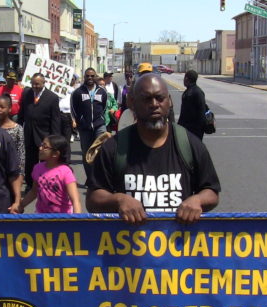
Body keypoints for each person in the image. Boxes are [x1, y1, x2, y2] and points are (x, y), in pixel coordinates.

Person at [86, 74, 221, 224]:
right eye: (146, 99)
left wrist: (198, 200)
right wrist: (119, 200)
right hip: (128, 244)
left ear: (169, 101)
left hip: (178, 244)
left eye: (160, 98)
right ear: (132, 102)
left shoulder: (190, 144)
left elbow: (212, 191)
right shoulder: (114, 148)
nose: (154, 104)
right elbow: (93, 199)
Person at [19, 135, 82, 214]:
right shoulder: (37, 168)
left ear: (55, 154)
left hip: (63, 217)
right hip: (41, 215)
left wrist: (76, 221)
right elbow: (34, 191)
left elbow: (75, 200)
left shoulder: (65, 172)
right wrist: (20, 206)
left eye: (45, 147)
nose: (40, 148)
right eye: (41, 145)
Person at [18, 73, 61, 189]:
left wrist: (54, 140)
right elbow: (21, 114)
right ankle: (30, 185)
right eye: (33, 84)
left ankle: (44, 184)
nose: (35, 86)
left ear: (43, 83)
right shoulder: (26, 94)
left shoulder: (52, 97)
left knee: (45, 163)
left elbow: (55, 120)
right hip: (29, 135)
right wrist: (19, 128)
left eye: (37, 84)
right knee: (29, 162)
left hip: (44, 136)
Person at [71, 68, 107, 178]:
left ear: (95, 76)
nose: (90, 78)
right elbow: (73, 108)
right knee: (87, 153)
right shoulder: (77, 92)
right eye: (87, 76)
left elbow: (104, 107)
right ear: (84, 77)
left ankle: (101, 177)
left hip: (99, 125)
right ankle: (90, 178)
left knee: (102, 151)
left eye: (92, 76)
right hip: (84, 127)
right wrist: (79, 121)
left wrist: (100, 118)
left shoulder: (102, 91)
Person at [0, 95, 25, 178]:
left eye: (2, 107)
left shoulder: (17, 129)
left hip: (11, 171)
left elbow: (21, 153)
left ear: (9, 109)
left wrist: (20, 174)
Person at [178, 70, 207, 140]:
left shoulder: (196, 92)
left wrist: (199, 131)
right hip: (187, 129)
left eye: (184, 77)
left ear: (187, 78)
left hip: (193, 131)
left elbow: (201, 113)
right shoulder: (189, 92)